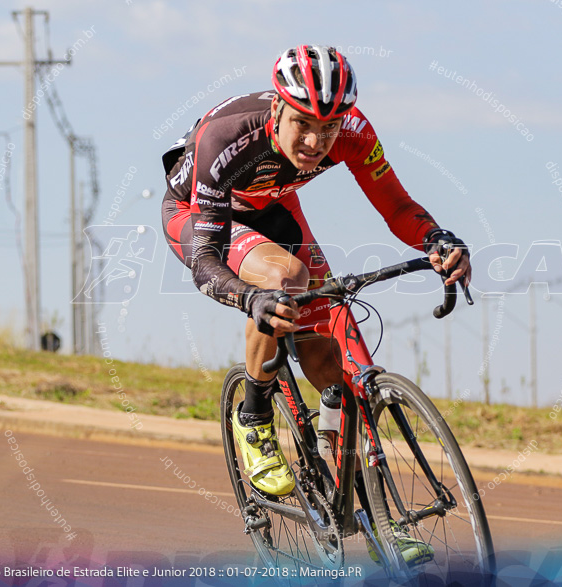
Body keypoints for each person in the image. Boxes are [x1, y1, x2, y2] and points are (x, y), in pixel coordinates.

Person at [161, 45, 470, 564]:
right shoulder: (228, 137)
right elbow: (206, 262)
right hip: (200, 215)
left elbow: (394, 203)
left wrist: (436, 240)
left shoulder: (353, 133)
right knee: (286, 276)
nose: (315, 141)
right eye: (304, 123)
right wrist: (250, 297)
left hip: (275, 207)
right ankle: (255, 416)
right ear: (278, 108)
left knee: (332, 352)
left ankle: (372, 515)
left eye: (328, 128)